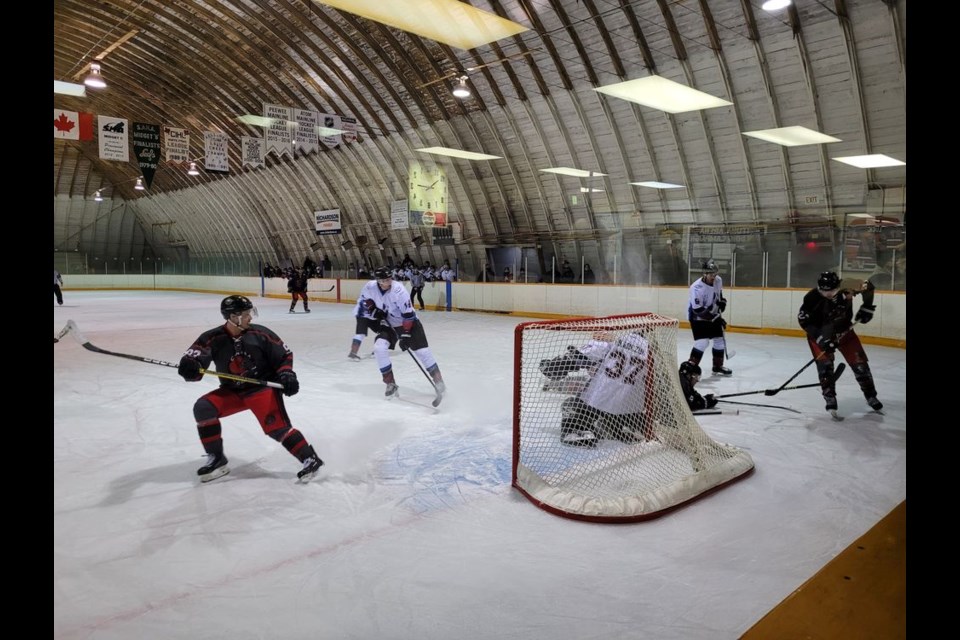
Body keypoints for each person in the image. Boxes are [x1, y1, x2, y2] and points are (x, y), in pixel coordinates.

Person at [176, 295, 324, 483]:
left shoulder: (261, 334)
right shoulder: (212, 338)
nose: (250, 318)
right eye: (246, 314)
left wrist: (287, 375)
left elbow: (284, 356)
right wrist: (189, 365)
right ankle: (217, 458)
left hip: (261, 389)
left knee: (276, 428)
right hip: (232, 391)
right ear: (233, 317)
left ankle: (310, 458)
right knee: (203, 407)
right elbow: (194, 362)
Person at [797, 271, 882, 414]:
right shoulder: (811, 298)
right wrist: (822, 340)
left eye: (833, 290)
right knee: (825, 367)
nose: (829, 294)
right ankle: (830, 398)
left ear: (839, 285)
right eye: (825, 291)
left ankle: (871, 395)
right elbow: (804, 321)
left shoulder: (849, 284)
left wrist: (867, 307)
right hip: (820, 334)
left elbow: (869, 286)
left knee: (860, 365)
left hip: (845, 332)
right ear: (819, 288)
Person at [357, 266, 445, 399]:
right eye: (385, 280)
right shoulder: (370, 287)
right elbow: (365, 299)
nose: (389, 281)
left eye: (389, 278)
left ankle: (439, 382)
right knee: (379, 348)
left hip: (409, 323)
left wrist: (404, 335)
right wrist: (373, 308)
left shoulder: (398, 290)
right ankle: (390, 383)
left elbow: (408, 316)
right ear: (379, 281)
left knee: (422, 352)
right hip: (389, 324)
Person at [559, 331, 654, 447]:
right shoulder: (653, 353)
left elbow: (581, 356)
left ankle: (575, 429)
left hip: (597, 403)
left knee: (570, 404)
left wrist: (558, 364)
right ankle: (616, 424)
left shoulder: (613, 343)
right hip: (629, 411)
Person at [686, 259, 731, 376]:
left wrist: (722, 302)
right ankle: (691, 366)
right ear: (704, 274)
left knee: (719, 339)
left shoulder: (718, 280)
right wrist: (715, 318)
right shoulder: (696, 288)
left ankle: (717, 366)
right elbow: (698, 310)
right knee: (702, 342)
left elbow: (719, 296)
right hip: (697, 317)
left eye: (715, 274)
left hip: (712, 314)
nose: (714, 277)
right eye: (711, 274)